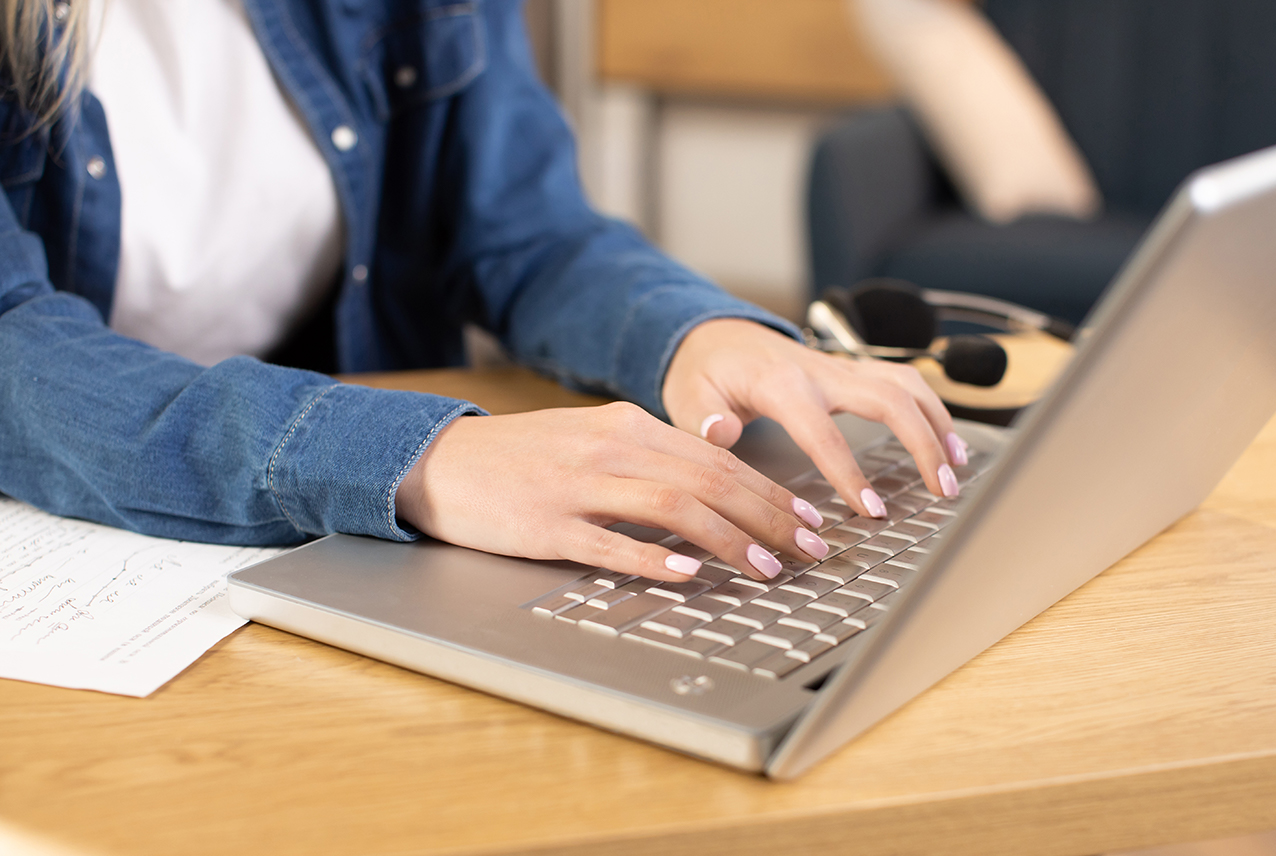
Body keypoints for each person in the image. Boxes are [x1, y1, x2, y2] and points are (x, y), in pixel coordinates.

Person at [0, 0, 965, 586]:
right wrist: (415, 457)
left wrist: (695, 330)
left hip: (340, 529)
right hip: (81, 527)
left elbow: (519, 231)